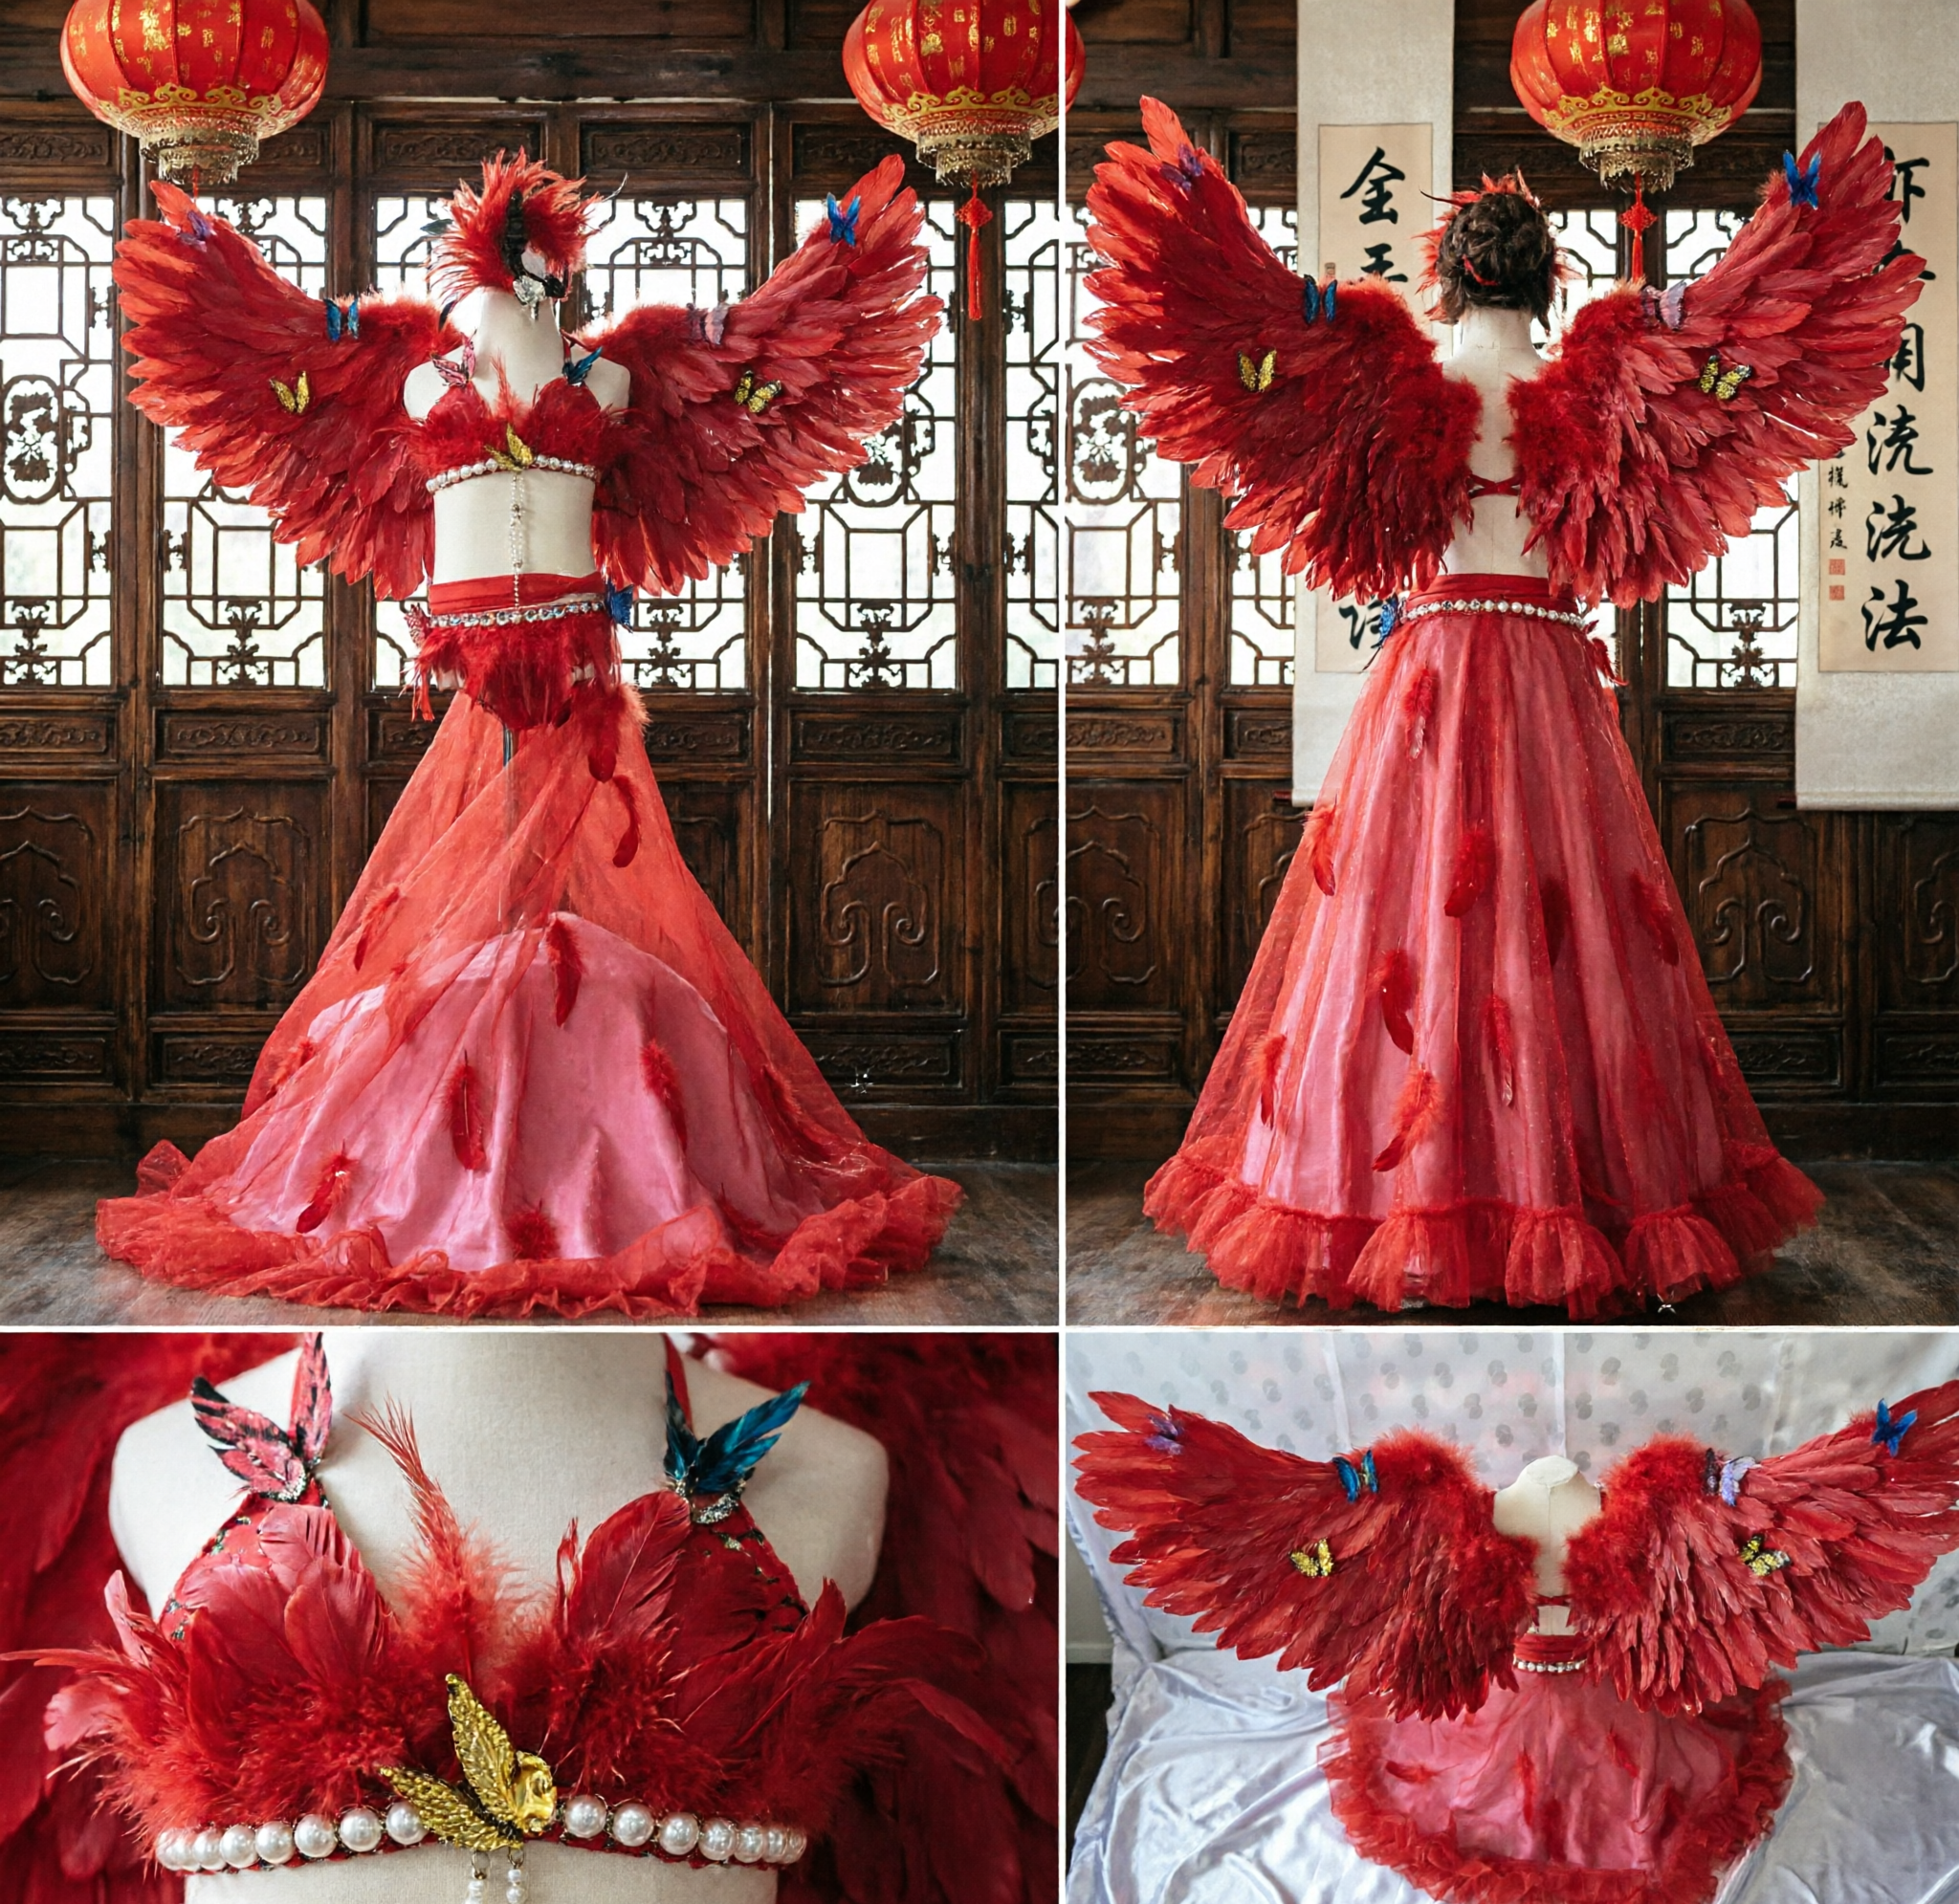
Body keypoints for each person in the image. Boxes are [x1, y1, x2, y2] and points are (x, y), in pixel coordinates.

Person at [1087, 99, 1920, 1314]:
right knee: (1560, 925)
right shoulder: (1595, 389)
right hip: (1540, 676)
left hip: (1426, 677)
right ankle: (1570, 1193)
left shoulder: (1387, 383)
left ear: (1445, 274)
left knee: (1403, 921)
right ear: (1544, 280)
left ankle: (1387, 1194)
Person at [96, 154, 961, 1317]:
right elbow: (275, 357)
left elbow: (747, 366)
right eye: (532, 261)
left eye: (556, 265)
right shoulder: (413, 368)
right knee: (472, 872)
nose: (544, 278)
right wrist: (216, 268)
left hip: (569, 633)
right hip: (465, 638)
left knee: (570, 859)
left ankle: (583, 1114)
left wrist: (837, 264)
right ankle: (462, 1109)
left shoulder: (610, 372)